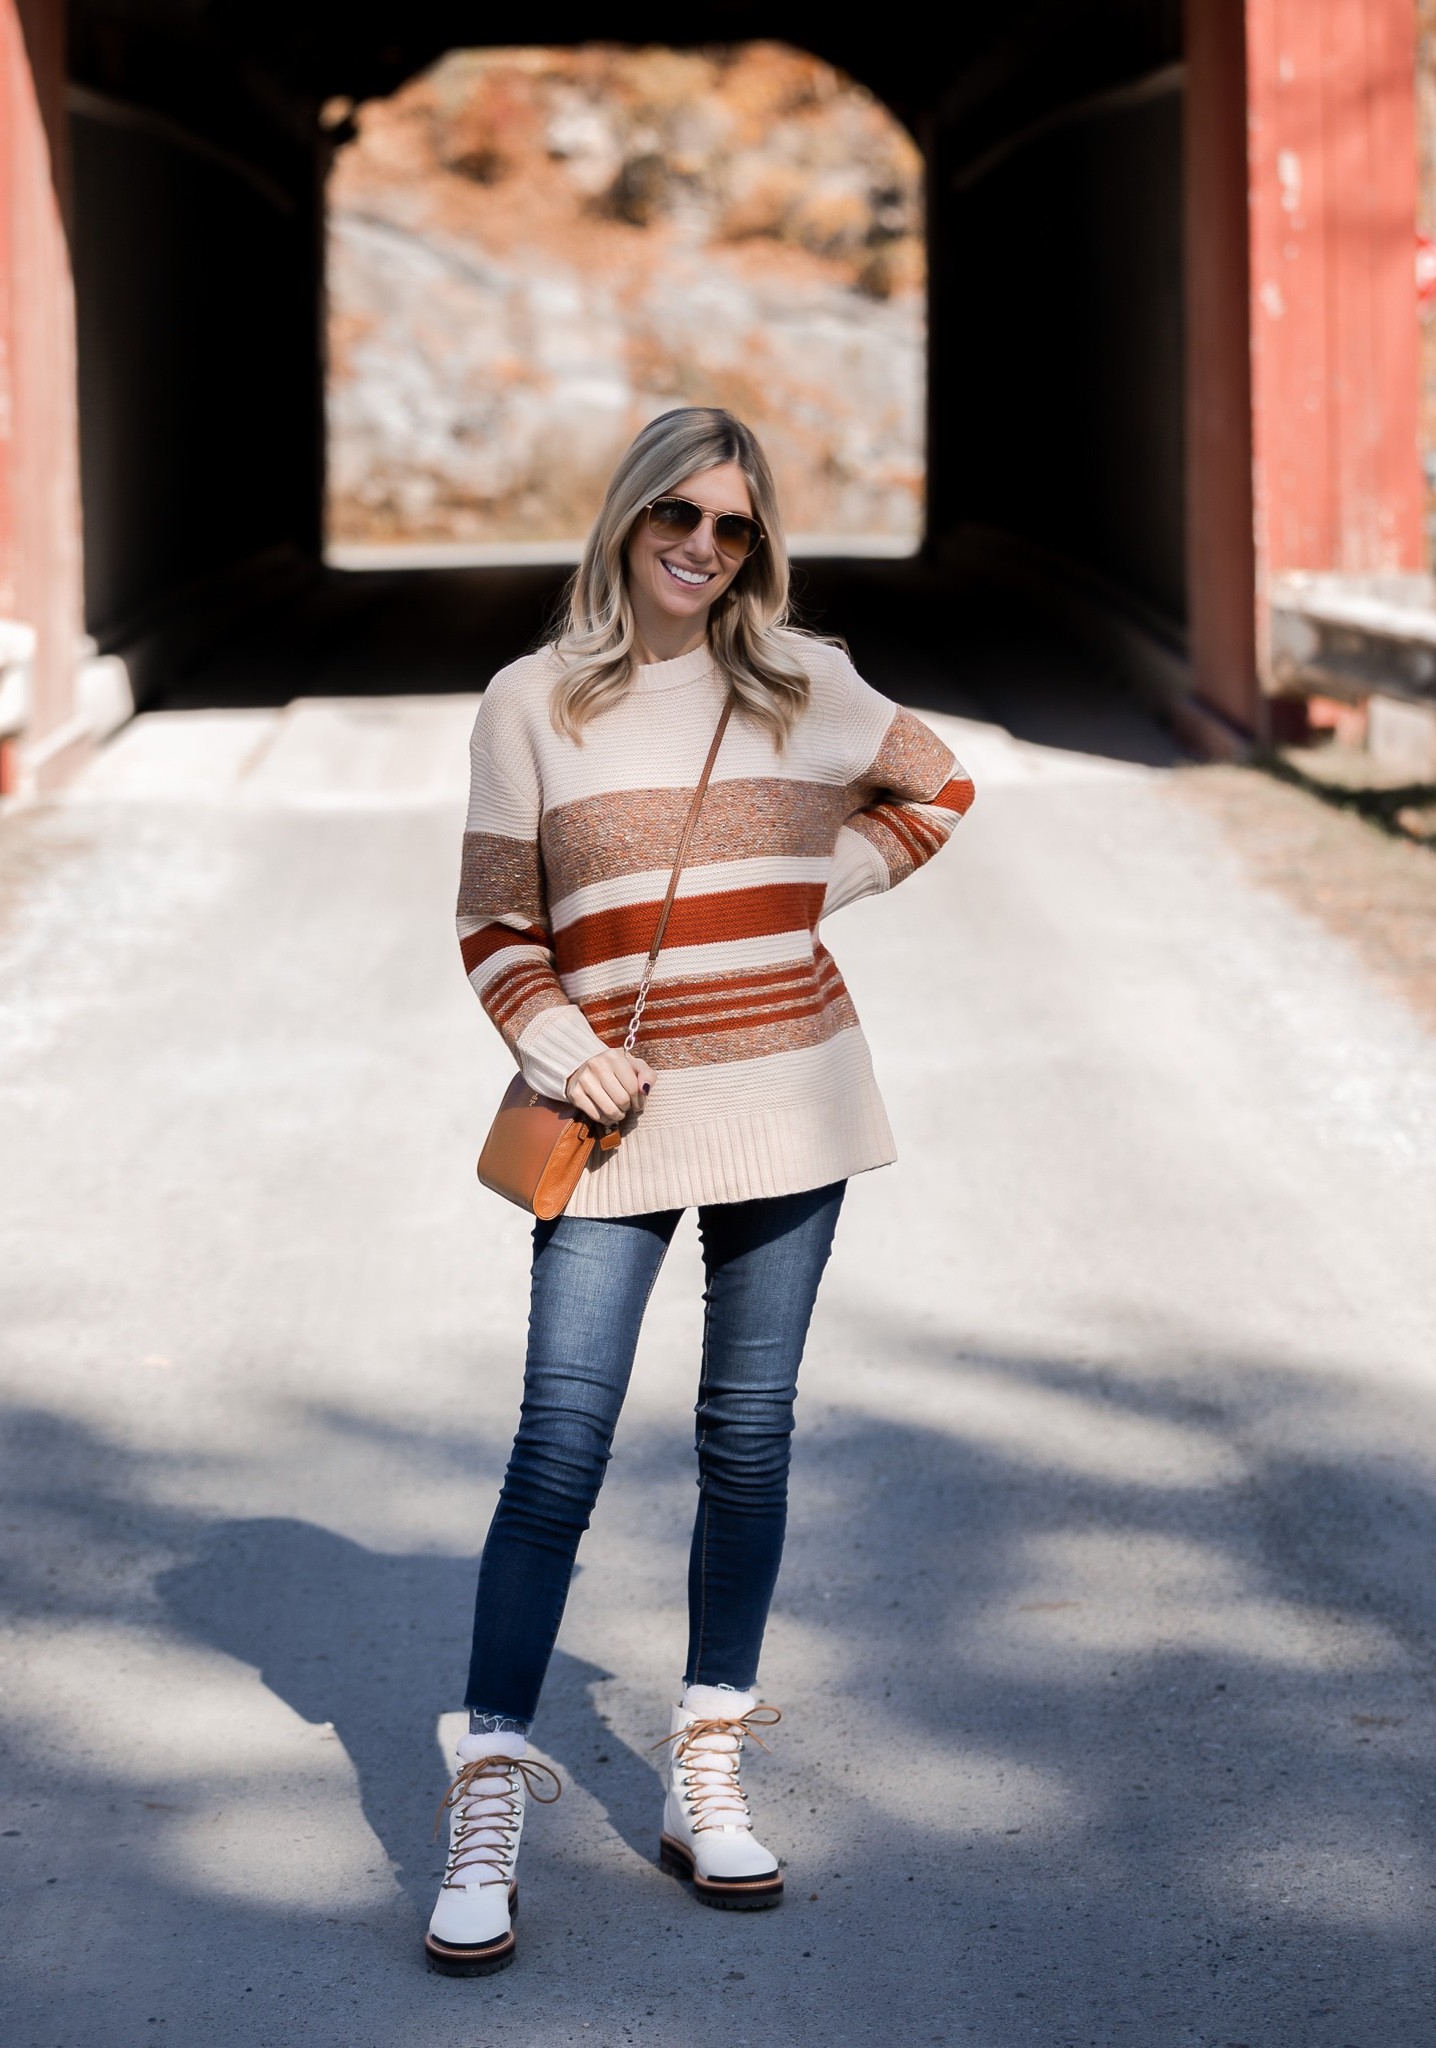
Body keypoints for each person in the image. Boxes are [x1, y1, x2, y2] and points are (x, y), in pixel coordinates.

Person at [428, 406, 973, 1975]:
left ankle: (706, 1760)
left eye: (735, 527)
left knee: (748, 1438)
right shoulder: (531, 703)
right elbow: (495, 923)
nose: (703, 547)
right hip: (609, 1122)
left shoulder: (807, 682)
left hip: (791, 1104)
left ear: (758, 545)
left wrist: (810, 892)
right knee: (559, 1446)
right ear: (627, 519)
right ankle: (489, 1786)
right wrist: (559, 1045)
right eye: (679, 515)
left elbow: (940, 790)